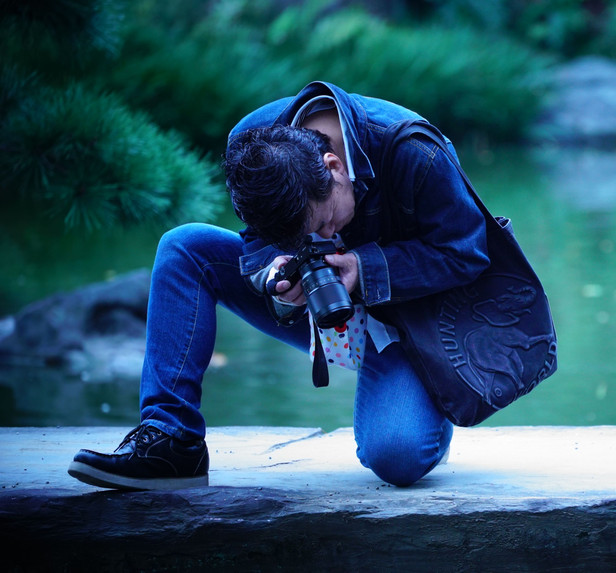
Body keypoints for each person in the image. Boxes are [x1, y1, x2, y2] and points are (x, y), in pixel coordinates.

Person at [66, 81, 489, 490]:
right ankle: (172, 441)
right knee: (185, 248)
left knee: (397, 456)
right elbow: (254, 239)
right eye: (307, 237)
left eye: (324, 224)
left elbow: (467, 252)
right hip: (320, 303)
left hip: (410, 324)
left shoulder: (413, 149)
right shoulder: (252, 148)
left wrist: (363, 267)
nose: (323, 238)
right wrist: (271, 272)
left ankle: (430, 404)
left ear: (334, 168)